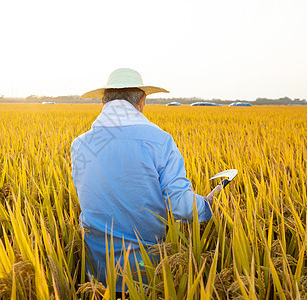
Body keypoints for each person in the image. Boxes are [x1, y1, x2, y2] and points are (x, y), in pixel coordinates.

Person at [71, 68, 219, 292]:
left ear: (103, 101)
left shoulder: (80, 144)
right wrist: (206, 205)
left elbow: (89, 196)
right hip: (147, 271)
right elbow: (181, 206)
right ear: (142, 101)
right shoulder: (160, 141)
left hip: (96, 274)